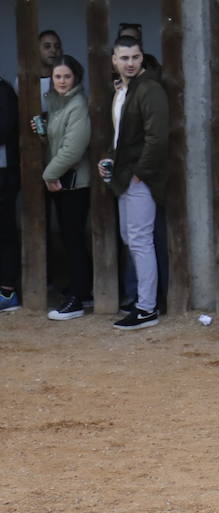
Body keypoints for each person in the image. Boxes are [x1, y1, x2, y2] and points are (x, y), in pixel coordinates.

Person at [100, 35, 168, 331]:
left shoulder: (150, 88)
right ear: (114, 60)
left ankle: (147, 308)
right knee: (133, 240)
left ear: (142, 58)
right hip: (125, 176)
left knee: (139, 241)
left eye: (135, 57)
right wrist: (111, 161)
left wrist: (140, 172)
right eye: (124, 58)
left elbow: (158, 138)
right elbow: (121, 137)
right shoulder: (123, 91)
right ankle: (144, 301)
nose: (130, 63)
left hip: (140, 178)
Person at [35, 55, 91, 321]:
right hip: (62, 181)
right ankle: (81, 288)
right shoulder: (58, 103)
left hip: (73, 182)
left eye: (67, 76)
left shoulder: (77, 105)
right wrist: (44, 132)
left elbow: (73, 149)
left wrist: (48, 174)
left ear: (76, 78)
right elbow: (59, 142)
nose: (62, 81)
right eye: (58, 76)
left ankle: (78, 298)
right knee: (70, 238)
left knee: (73, 239)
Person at [0, 77, 18, 312]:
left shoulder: (3, 90)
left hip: (3, 174)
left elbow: (4, 128)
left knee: (4, 232)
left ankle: (7, 292)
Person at [35, 30, 63, 113]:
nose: (53, 50)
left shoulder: (67, 80)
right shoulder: (23, 81)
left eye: (57, 47)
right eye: (47, 46)